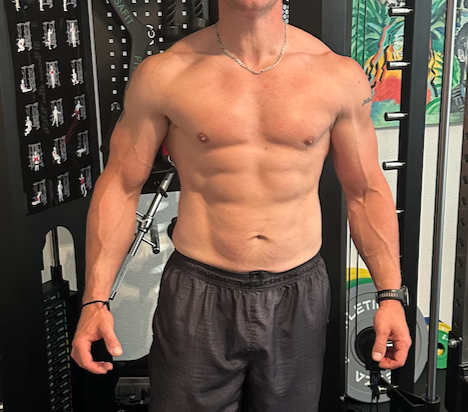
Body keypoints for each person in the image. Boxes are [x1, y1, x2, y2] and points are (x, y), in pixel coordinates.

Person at [71, 1, 411, 411]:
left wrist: (390, 295)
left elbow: (365, 192)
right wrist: (95, 299)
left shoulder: (336, 75)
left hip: (298, 294)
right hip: (199, 291)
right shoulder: (165, 73)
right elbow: (121, 185)